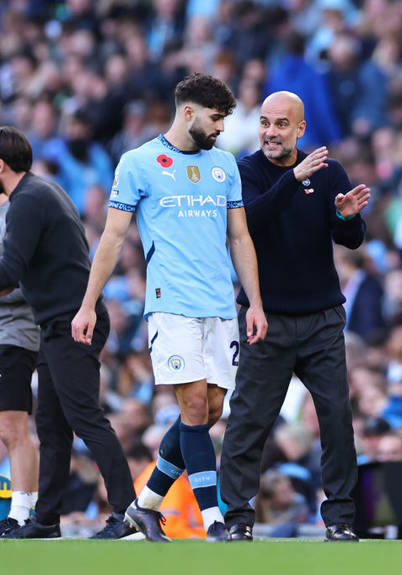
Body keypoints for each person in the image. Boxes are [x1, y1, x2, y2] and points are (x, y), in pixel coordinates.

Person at [71, 73, 268, 543]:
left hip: (221, 305)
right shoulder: (138, 163)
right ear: (189, 112)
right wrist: (88, 303)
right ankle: (213, 519)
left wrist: (255, 301)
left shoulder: (225, 166)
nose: (222, 128)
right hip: (170, 304)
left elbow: (239, 236)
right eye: (217, 118)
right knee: (194, 406)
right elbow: (113, 237)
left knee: (211, 409)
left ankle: (145, 506)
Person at [219, 90, 370, 543]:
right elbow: (247, 223)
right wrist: (292, 181)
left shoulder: (327, 171)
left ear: (300, 129)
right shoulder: (243, 171)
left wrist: (345, 218)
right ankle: (238, 518)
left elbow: (353, 239)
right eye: (265, 122)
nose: (270, 132)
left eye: (281, 124)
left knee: (337, 418)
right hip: (267, 320)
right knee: (249, 420)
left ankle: (340, 519)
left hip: (322, 317)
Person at [0, 126, 136, 539]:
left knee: (84, 418)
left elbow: (8, 271)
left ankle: (128, 514)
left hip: (71, 320)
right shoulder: (42, 191)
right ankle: (45, 520)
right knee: (54, 425)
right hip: (61, 319)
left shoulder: (27, 200)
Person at [0, 191, 40, 537]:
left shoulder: (16, 214)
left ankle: (21, 513)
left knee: (12, 429)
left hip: (12, 334)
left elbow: (28, 281)